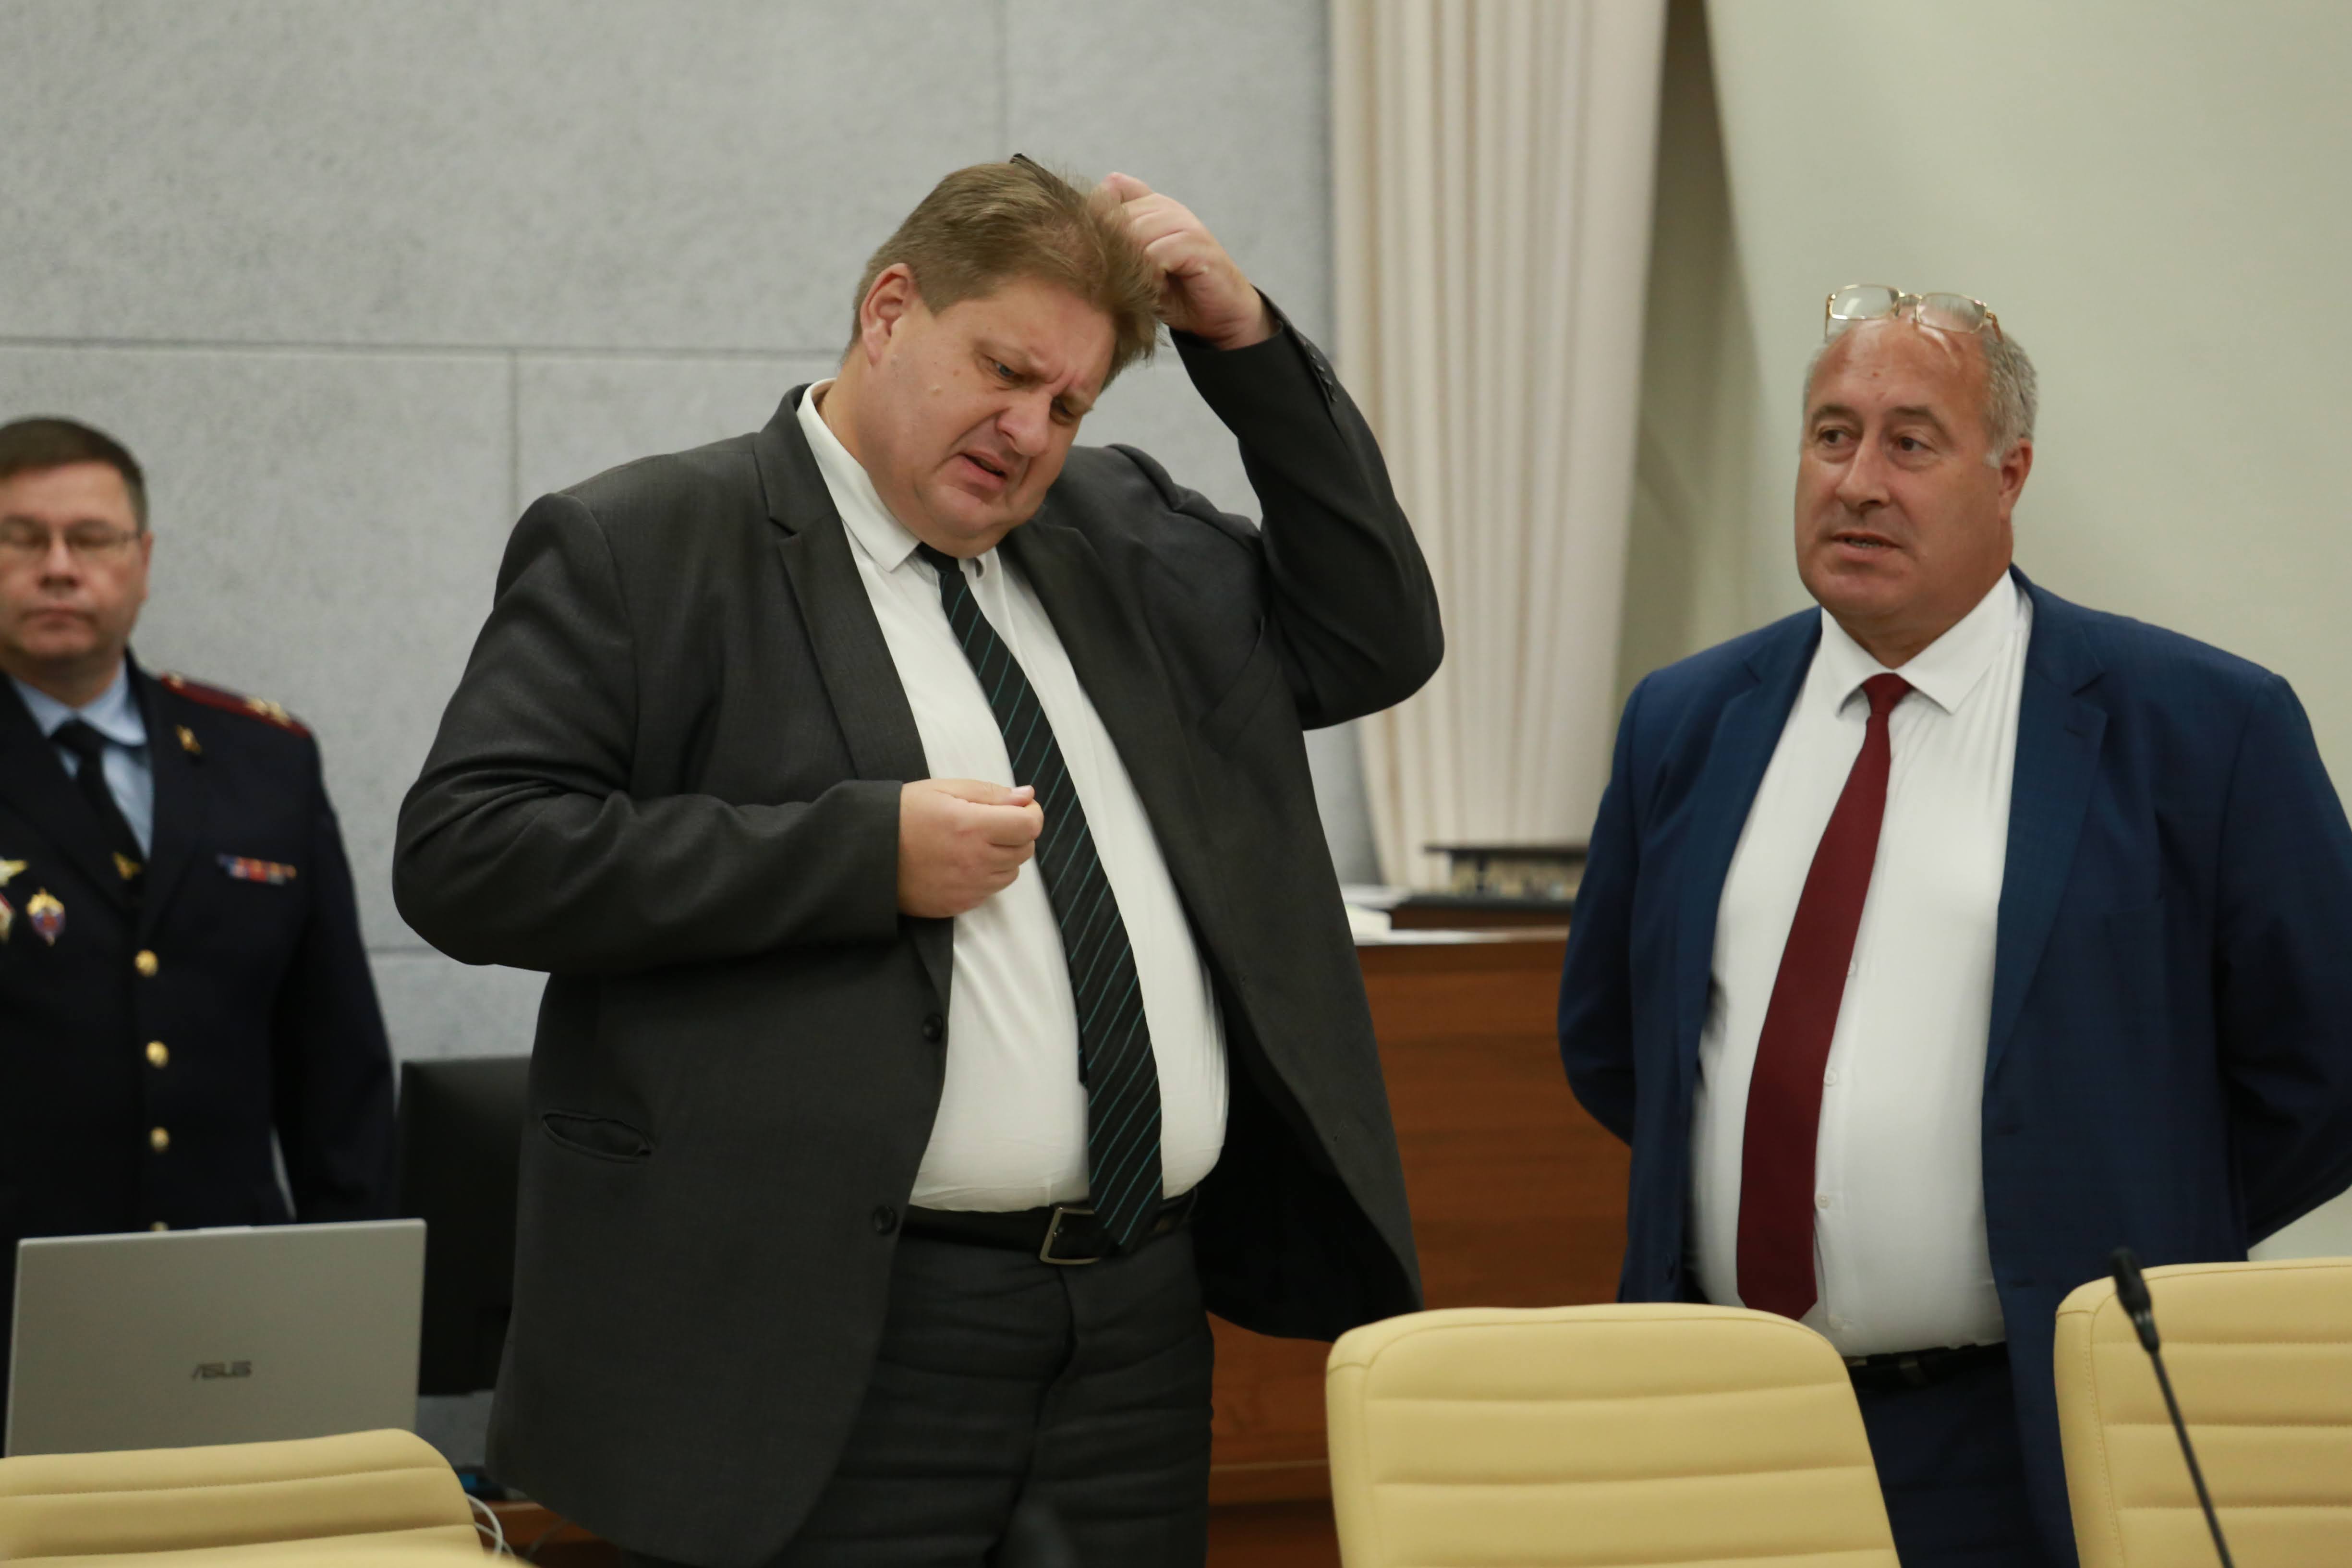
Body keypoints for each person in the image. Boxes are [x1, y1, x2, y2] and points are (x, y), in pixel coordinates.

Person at [395, 159, 1440, 1568]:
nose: (1028, 433)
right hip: (830, 1337)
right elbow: (468, 851)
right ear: (891, 309)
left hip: (1130, 1325)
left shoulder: (1119, 529)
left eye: (1068, 404)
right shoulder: (651, 542)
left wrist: (1243, 343)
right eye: (1003, 371)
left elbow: (1372, 639)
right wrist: (855, 852)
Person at [1557, 286, 2352, 1567]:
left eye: (1910, 443)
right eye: (1831, 436)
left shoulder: (2200, 728)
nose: (1858, 483)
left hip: (2034, 1430)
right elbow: (1614, 1042)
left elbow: (2326, 1066)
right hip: (1727, 1418)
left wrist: (2121, 1201)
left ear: (2009, 475)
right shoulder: (1685, 719)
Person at [0, 416, 396, 1399]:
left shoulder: (264, 760)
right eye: (20, 537)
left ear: (142, 562)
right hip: (14, 1315)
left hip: (230, 1318)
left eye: (91, 538)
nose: (59, 568)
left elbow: (336, 1072)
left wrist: (355, 1326)